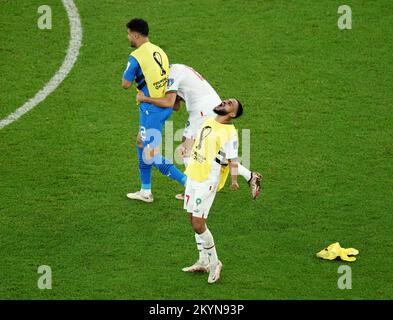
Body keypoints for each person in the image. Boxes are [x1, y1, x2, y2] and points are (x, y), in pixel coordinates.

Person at [137, 64, 261, 200]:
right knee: (214, 152)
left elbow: (169, 102)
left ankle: (192, 189)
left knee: (186, 148)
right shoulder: (179, 68)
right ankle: (250, 176)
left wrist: (145, 99)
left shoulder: (173, 73)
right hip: (209, 106)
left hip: (202, 111)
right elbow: (176, 105)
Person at [122, 19, 187, 203]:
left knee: (151, 154)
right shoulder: (160, 51)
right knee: (140, 142)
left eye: (128, 34)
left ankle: (189, 185)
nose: (128, 37)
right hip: (163, 106)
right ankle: (145, 190)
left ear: (135, 34)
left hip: (151, 110)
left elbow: (125, 84)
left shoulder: (135, 56)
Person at [182, 98, 243, 283]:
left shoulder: (230, 133)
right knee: (192, 218)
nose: (225, 101)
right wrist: (186, 148)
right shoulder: (209, 120)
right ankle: (203, 261)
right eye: (227, 100)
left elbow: (233, 159)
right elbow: (200, 141)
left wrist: (234, 180)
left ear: (232, 114)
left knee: (199, 223)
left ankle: (215, 263)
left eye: (230, 104)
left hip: (207, 179)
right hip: (193, 173)